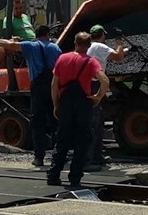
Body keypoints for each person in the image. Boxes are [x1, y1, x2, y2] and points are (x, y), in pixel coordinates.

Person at [47, 32, 109, 189]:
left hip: (66, 102)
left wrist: (56, 105)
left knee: (62, 140)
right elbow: (105, 81)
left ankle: (53, 175)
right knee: (82, 141)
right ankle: (75, 178)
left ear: (75, 43)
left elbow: (54, 85)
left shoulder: (62, 59)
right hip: (83, 104)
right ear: (88, 46)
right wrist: (98, 97)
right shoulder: (91, 61)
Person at [18, 24, 62, 167]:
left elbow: (11, 46)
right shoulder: (55, 48)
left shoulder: (30, 46)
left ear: (36, 35)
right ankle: (58, 155)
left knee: (37, 123)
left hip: (38, 88)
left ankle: (39, 157)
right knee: (56, 121)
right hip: (53, 86)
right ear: (48, 34)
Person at [84, 24, 127, 170]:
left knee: (98, 121)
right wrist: (119, 42)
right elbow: (118, 57)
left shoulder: (91, 47)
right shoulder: (100, 46)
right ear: (103, 35)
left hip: (89, 84)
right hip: (95, 84)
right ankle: (90, 160)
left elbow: (113, 55)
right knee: (94, 122)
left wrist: (125, 51)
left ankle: (97, 156)